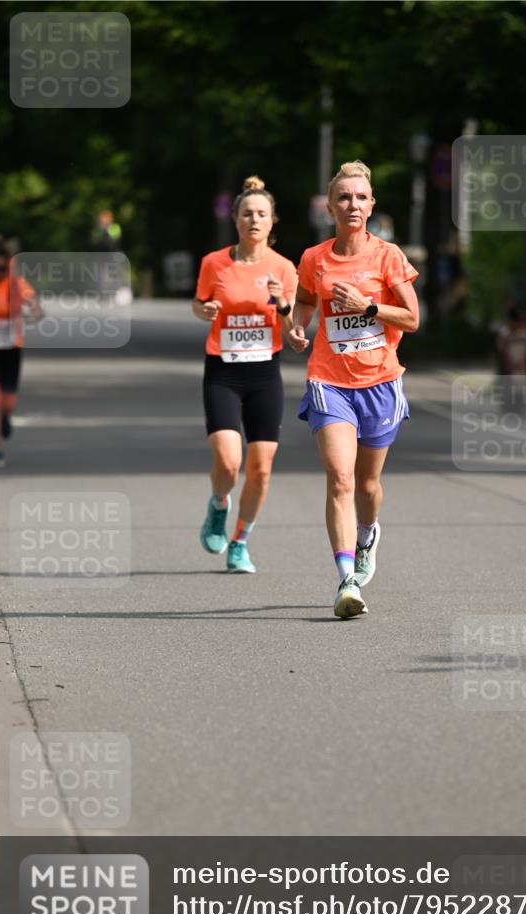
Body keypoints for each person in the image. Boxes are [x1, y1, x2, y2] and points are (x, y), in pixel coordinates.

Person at [287, 161, 419, 618]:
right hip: (329, 380)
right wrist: (298, 327)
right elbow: (304, 301)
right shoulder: (314, 258)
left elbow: (412, 318)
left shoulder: (387, 256)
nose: (353, 205)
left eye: (361, 197)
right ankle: (346, 581)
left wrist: (368, 307)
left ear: (372, 205)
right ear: (330, 206)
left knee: (367, 483)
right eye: (344, 198)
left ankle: (368, 533)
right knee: (340, 478)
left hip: (381, 380)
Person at [192, 176, 297, 573]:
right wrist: (203, 312)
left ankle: (240, 541)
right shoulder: (213, 263)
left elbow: (292, 332)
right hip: (223, 369)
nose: (255, 220)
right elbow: (200, 305)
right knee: (229, 462)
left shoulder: (284, 268)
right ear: (235, 219)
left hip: (264, 373)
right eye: (247, 213)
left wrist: (284, 305)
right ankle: (219, 503)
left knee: (262, 467)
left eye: (262, 214)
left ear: (272, 223)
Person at [0, 242, 43, 468]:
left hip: (10, 350)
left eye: (0, 269)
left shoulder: (16, 285)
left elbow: (35, 306)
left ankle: (5, 417)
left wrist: (34, 312)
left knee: (7, 402)